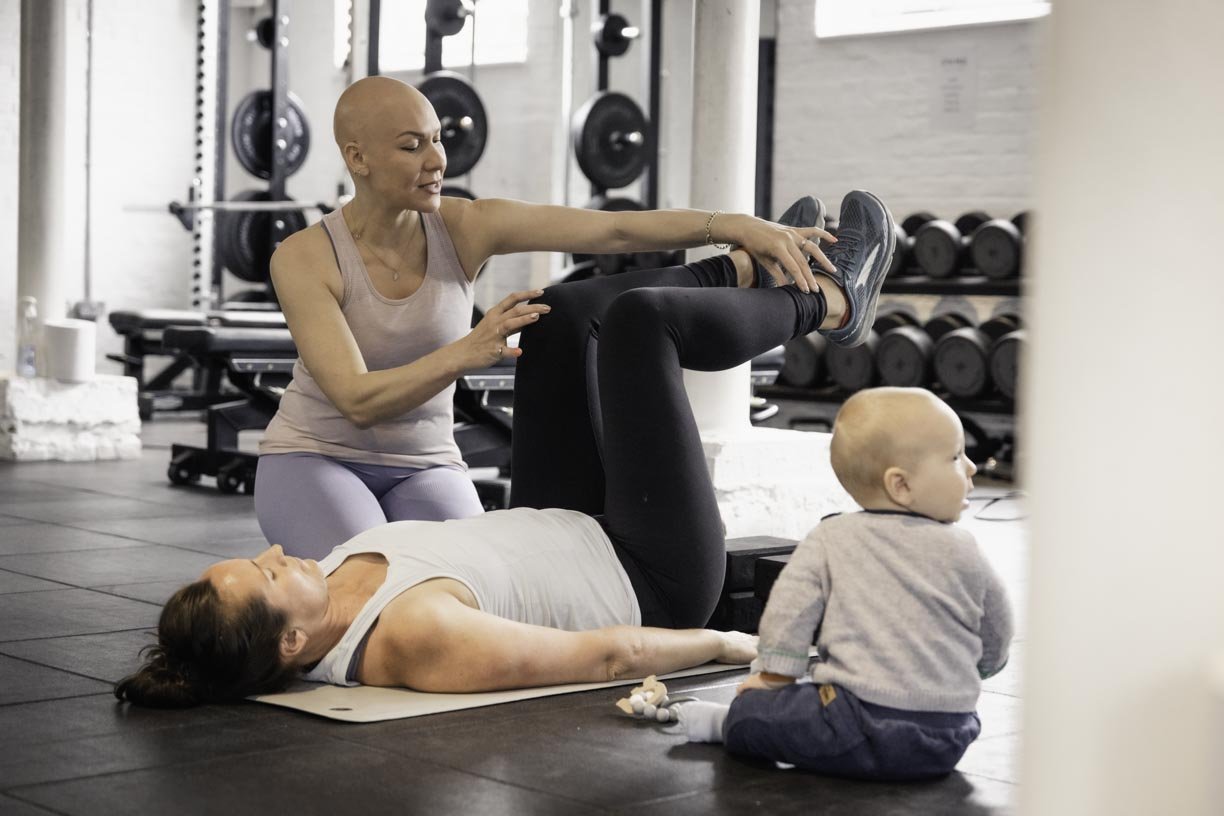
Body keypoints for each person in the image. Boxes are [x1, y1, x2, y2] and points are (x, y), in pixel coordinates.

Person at [112, 190, 896, 708]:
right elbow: (607, 657)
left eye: (260, 558)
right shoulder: (414, 638)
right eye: (267, 572)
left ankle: (745, 267)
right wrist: (739, 644)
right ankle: (827, 301)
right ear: (289, 642)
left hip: (564, 517)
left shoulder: (335, 580)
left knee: (550, 318)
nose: (277, 551)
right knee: (642, 324)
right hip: (647, 573)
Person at [256, 75, 843, 558]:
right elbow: (356, 400)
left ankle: (747, 270)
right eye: (412, 146)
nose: (437, 159)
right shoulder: (305, 257)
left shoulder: (463, 226)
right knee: (377, 590)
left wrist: (732, 225)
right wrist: (467, 350)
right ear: (357, 158)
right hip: (317, 456)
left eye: (437, 140)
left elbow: (610, 229)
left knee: (478, 591)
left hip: (426, 465)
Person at [680, 387, 1014, 782]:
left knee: (757, 713)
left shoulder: (830, 537)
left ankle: (726, 726)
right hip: (949, 735)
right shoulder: (966, 548)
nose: (973, 467)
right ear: (901, 485)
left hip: (857, 723)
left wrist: (774, 676)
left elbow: (789, 613)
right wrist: (977, 668)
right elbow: (998, 625)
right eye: (957, 456)